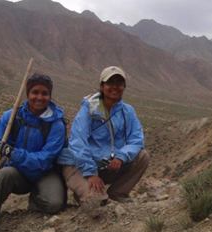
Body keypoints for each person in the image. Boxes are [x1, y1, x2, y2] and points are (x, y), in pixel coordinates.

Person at [0, 73, 66, 232]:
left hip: (44, 172)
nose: (39, 97)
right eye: (35, 92)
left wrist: (15, 153)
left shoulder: (56, 125)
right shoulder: (12, 117)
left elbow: (45, 159)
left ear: (50, 96)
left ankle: (36, 200)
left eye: (44, 93)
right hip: (18, 172)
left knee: (54, 203)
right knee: (4, 174)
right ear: (27, 94)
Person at [57, 66, 149, 205]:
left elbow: (136, 140)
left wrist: (121, 156)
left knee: (142, 156)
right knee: (97, 202)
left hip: (106, 166)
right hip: (79, 166)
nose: (115, 87)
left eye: (119, 83)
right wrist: (90, 173)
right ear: (102, 86)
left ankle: (117, 193)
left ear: (124, 86)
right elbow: (78, 142)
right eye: (110, 83)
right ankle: (87, 193)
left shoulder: (128, 111)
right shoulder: (88, 110)